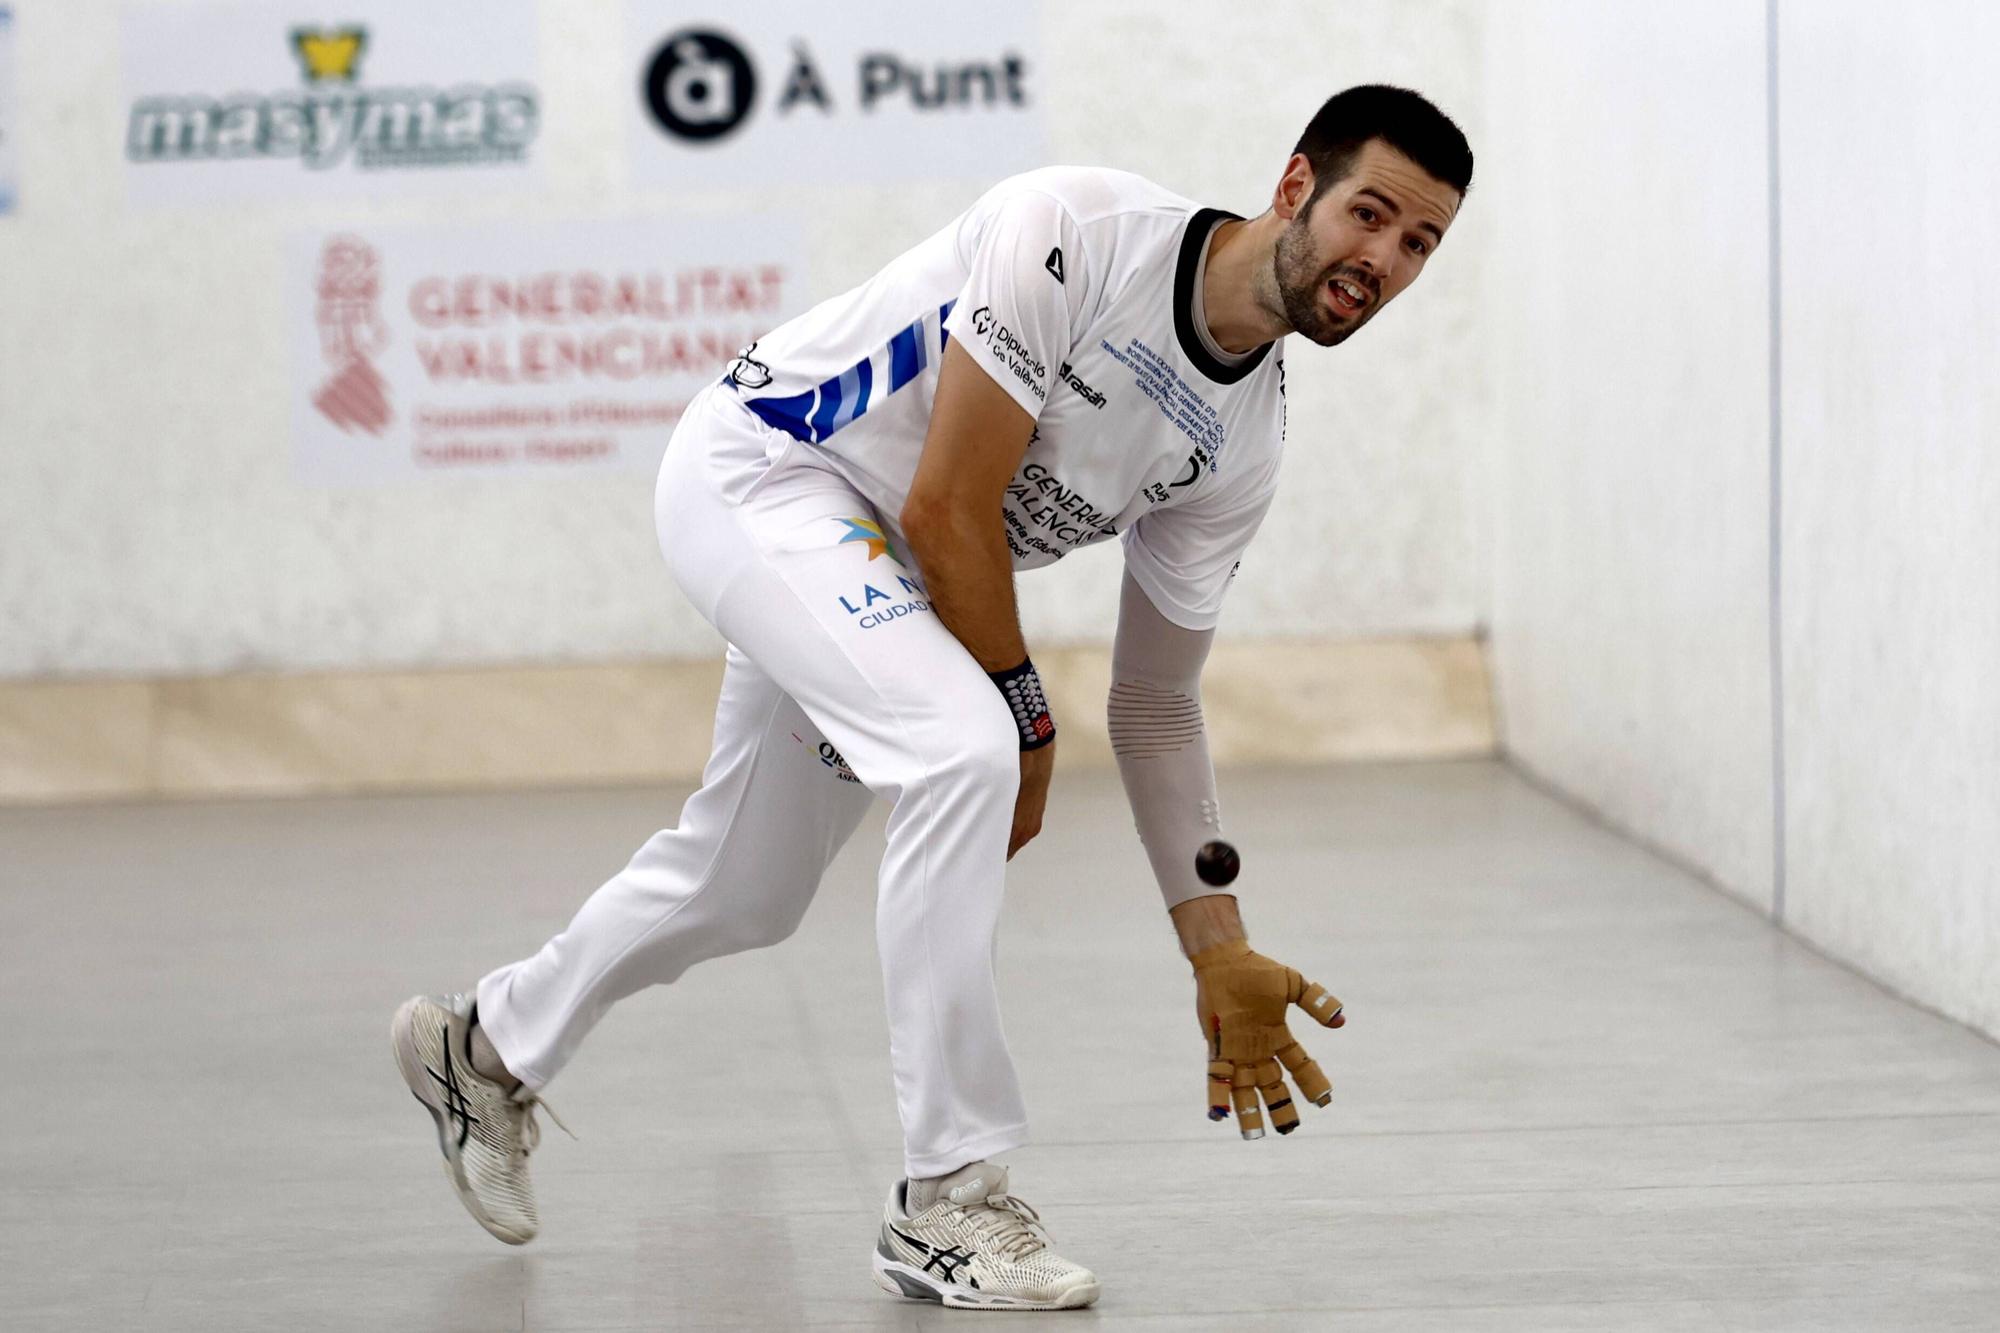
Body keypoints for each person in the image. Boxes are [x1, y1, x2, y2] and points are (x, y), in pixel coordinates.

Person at [392, 83, 1472, 1312]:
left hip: (882, 574)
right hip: (769, 471)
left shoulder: (1246, 438)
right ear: (1295, 187)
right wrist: (1027, 725)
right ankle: (947, 1202)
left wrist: (1212, 940)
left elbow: (1160, 705)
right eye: (1368, 216)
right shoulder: (1077, 232)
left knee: (741, 886)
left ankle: (478, 1047)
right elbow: (947, 507)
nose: (1378, 260)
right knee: (966, 746)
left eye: (1416, 244)